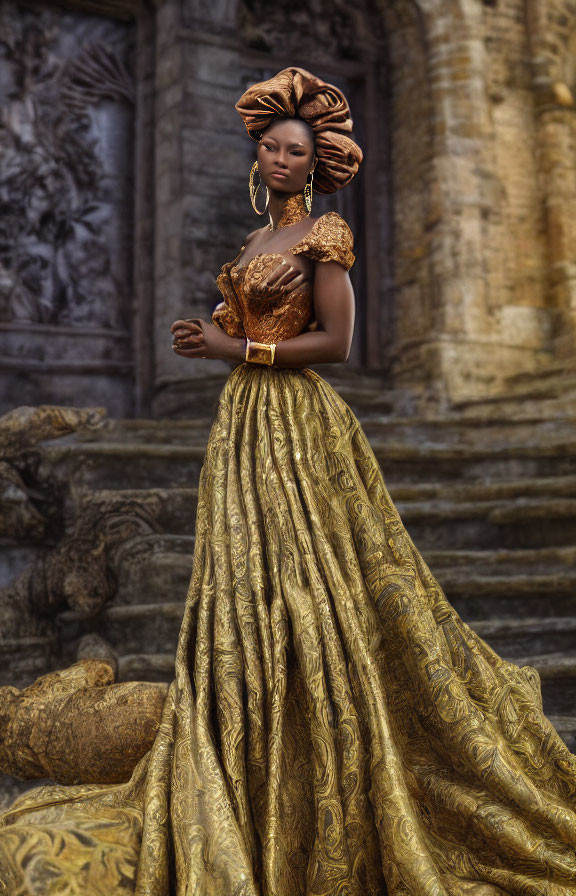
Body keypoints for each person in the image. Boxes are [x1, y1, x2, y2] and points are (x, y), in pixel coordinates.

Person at [0, 66, 575, 896]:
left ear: (316, 164)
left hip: (297, 427)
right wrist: (215, 332)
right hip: (242, 428)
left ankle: (329, 751)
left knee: (315, 591)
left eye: (293, 150)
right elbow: (249, 322)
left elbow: (337, 342)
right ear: (258, 156)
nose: (278, 158)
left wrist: (239, 348)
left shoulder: (324, 236)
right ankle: (256, 750)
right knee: (243, 591)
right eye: (269, 146)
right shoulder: (253, 243)